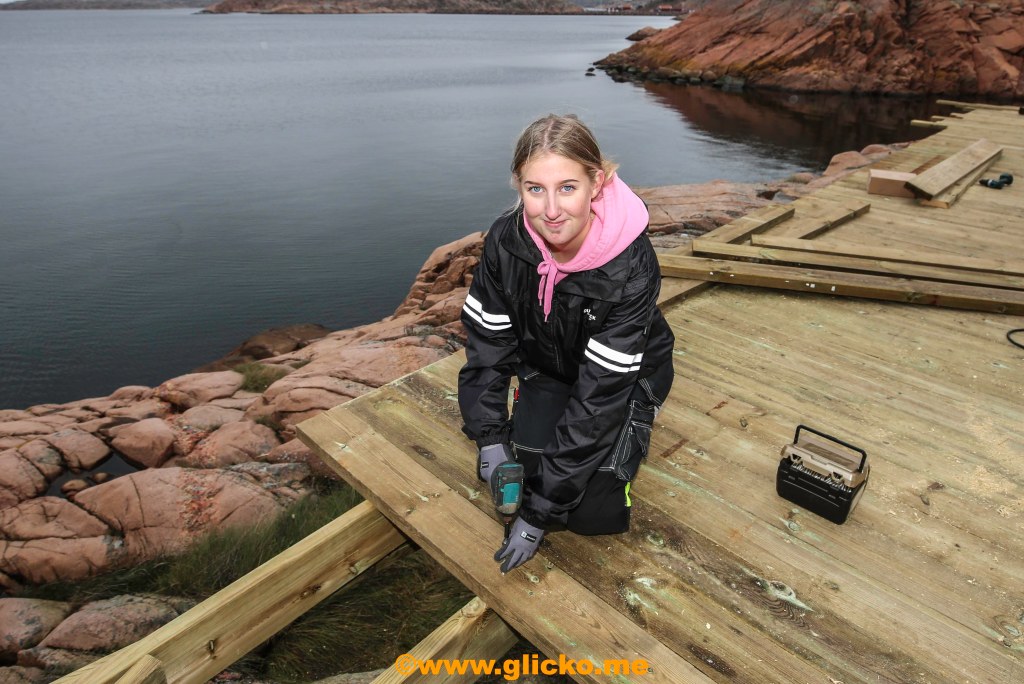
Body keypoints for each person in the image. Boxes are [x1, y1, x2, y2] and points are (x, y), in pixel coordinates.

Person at [458, 114, 675, 573]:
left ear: (598, 182)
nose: (551, 210)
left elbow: (598, 400)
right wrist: (490, 437)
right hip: (550, 367)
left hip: (621, 380)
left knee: (591, 515)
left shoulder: (631, 266)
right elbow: (487, 344)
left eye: (568, 187)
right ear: (518, 186)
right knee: (524, 472)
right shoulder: (506, 242)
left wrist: (538, 516)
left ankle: (641, 416)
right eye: (535, 189)